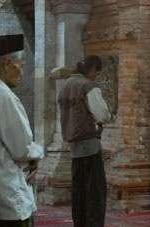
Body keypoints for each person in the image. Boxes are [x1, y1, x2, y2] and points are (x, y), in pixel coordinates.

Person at [0, 34, 44, 227]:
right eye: (20, 64)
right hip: (9, 189)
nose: (22, 71)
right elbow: (21, 149)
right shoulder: (4, 98)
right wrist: (37, 154)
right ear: (7, 63)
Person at [59, 55, 113, 227]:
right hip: (89, 144)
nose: (95, 76)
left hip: (74, 145)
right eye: (96, 72)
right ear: (91, 70)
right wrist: (108, 116)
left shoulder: (66, 85)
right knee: (95, 192)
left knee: (79, 191)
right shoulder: (87, 85)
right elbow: (102, 114)